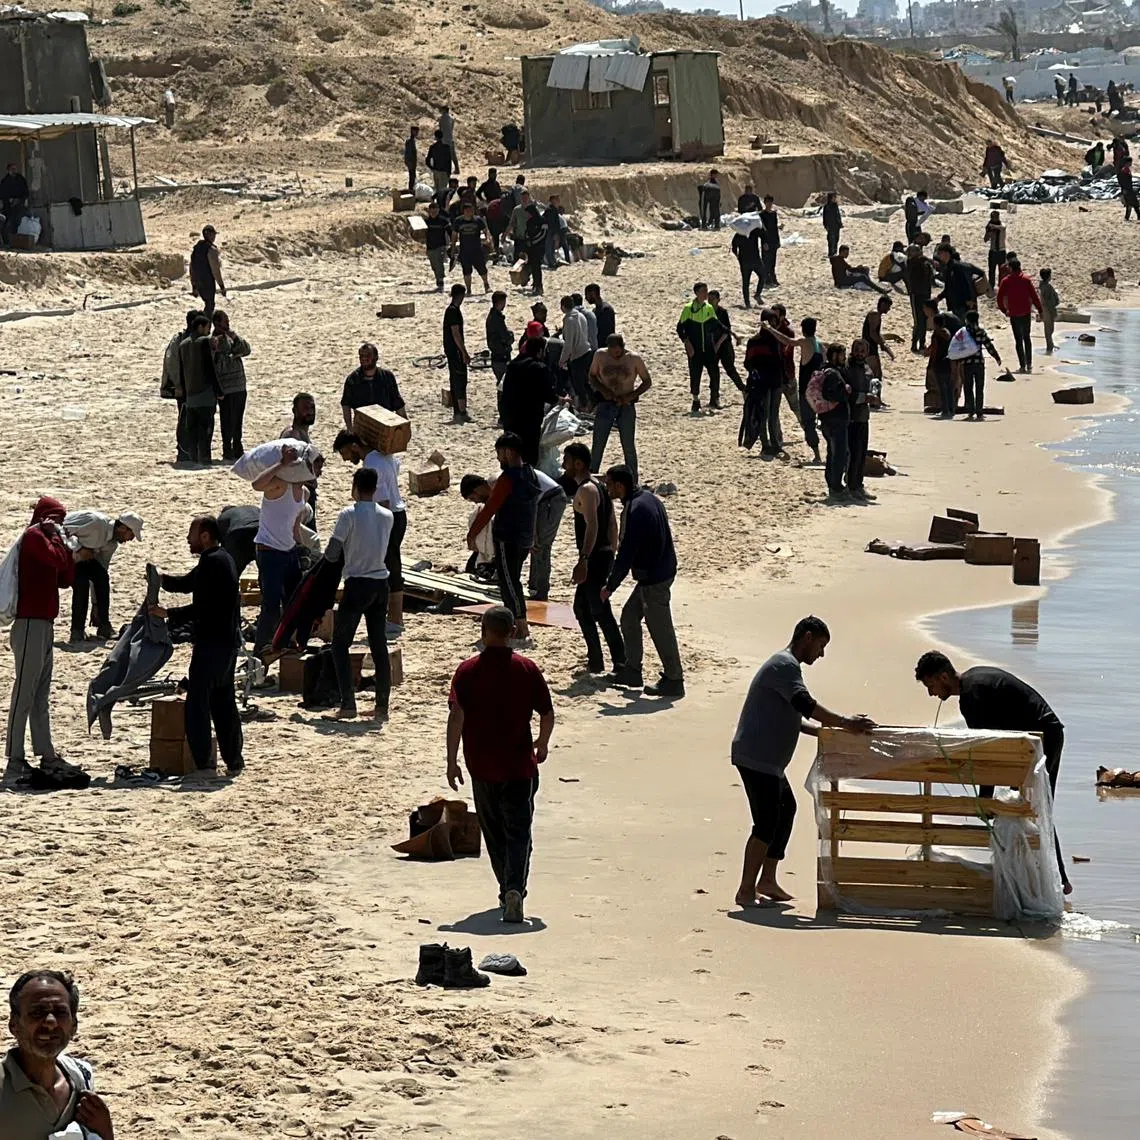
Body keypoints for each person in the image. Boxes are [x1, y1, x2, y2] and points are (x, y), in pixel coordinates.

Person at [732, 616, 875, 906]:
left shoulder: (787, 667)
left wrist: (828, 733)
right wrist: (846, 723)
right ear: (807, 637)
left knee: (786, 810)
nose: (821, 654)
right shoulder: (784, 665)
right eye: (821, 646)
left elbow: (792, 717)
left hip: (768, 762)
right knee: (765, 823)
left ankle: (768, 880)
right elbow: (804, 706)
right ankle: (746, 889)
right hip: (757, 758)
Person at [915, 651, 1071, 894]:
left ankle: (1059, 880)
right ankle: (1053, 878)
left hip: (1042, 739)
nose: (931, 693)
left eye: (930, 685)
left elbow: (986, 750)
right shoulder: (974, 679)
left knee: (1039, 806)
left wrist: (985, 798)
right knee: (1031, 806)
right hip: (1036, 738)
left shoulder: (971, 696)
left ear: (943, 677)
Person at [446, 605, 554, 923]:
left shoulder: (466, 671)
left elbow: (456, 716)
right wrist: (543, 743)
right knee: (520, 832)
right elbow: (547, 713)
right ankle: (514, 889)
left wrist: (451, 761)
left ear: (483, 630)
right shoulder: (526, 669)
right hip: (520, 766)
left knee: (494, 834)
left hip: (482, 767)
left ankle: (505, 888)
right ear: (512, 633)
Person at [4, 498, 87, 782]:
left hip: (45, 623)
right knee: (23, 694)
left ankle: (45, 752)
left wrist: (72, 552)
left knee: (40, 695)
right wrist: (58, 539)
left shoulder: (49, 537)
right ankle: (15, 758)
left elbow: (64, 578)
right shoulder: (34, 536)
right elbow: (54, 558)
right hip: (29, 623)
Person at [153, 516, 243, 774]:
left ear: (205, 536)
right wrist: (162, 579)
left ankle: (203, 763)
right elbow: (188, 583)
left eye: (192, 533)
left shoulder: (213, 561)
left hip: (211, 644)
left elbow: (201, 607)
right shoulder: (222, 558)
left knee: (198, 704)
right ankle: (234, 761)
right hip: (227, 644)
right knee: (223, 702)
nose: (188, 538)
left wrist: (167, 613)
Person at [2, 970, 116, 1138]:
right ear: (14, 1025)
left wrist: (105, 1132)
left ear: (74, 1025)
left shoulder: (80, 1078)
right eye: (37, 1012)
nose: (50, 1022)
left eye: (60, 1012)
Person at [600, 467, 683, 697]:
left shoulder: (635, 510)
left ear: (620, 485)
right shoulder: (648, 498)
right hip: (658, 571)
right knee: (628, 617)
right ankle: (632, 671)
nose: (607, 488)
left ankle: (675, 679)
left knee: (660, 628)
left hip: (654, 578)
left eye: (609, 484)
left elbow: (626, 552)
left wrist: (610, 586)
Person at [323, 466, 394, 722]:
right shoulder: (387, 516)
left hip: (357, 585)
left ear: (355, 487)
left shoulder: (348, 514)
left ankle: (348, 703)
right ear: (375, 488)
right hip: (380, 583)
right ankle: (381, 706)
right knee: (378, 645)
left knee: (340, 645)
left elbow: (332, 553)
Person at [467, 432, 542, 640]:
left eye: (499, 453)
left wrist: (471, 535)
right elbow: (532, 507)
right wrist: (533, 535)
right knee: (513, 580)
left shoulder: (508, 478)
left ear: (508, 452)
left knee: (509, 583)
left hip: (508, 537)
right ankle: (519, 624)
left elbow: (490, 509)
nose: (499, 458)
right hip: (524, 536)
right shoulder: (530, 473)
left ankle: (521, 625)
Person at [333, 431, 408, 635]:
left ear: (354, 445)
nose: (347, 459)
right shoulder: (384, 454)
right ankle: (394, 617)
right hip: (398, 513)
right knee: (392, 563)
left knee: (389, 566)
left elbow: (382, 500)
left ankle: (394, 619)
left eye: (346, 453)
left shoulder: (372, 463)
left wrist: (375, 525)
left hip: (388, 514)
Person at [562, 443, 625, 675]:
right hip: (603, 554)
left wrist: (584, 559)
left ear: (578, 463)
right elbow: (612, 522)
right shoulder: (598, 485)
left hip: (595, 557)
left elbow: (593, 526)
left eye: (567, 461)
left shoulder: (586, 490)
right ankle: (596, 660)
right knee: (582, 608)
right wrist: (613, 548)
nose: (563, 465)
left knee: (599, 609)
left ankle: (620, 660)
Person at [251, 446, 307, 655]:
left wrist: (302, 550)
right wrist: (281, 464)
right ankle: (261, 650)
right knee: (271, 606)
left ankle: (287, 644)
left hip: (289, 552)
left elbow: (294, 526)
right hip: (269, 552)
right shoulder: (279, 484)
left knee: (294, 603)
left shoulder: (303, 492)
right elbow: (257, 484)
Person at [62, 510, 143, 644]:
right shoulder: (96, 523)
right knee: (81, 584)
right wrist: (78, 548)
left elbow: (101, 571)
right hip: (65, 556)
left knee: (102, 578)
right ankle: (77, 631)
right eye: (131, 533)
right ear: (122, 527)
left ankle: (104, 626)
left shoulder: (111, 545)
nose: (131, 538)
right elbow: (61, 530)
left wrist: (96, 606)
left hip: (82, 561)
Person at [589, 333, 651, 483]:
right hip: (605, 403)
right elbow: (592, 376)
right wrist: (605, 391)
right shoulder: (600, 356)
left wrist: (631, 396)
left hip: (626, 404)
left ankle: (633, 480)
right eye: (611, 351)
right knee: (598, 443)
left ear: (622, 347)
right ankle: (590, 476)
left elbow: (647, 381)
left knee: (628, 445)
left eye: (617, 352)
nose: (614, 355)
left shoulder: (633, 359)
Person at [501, 323, 557, 465]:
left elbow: (504, 391)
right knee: (529, 456)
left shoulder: (513, 365)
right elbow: (548, 395)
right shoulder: (540, 368)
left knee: (511, 453)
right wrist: (560, 400)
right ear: (539, 351)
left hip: (510, 417)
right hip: (529, 420)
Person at [677, 282, 727, 414]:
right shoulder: (688, 308)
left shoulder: (709, 307)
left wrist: (727, 333)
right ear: (697, 293)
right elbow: (680, 328)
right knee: (695, 374)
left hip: (709, 348)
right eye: (704, 291)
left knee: (714, 373)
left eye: (706, 290)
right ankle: (695, 400)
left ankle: (715, 399)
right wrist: (686, 343)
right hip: (695, 348)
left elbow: (717, 324)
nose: (706, 293)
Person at [740, 309, 785, 456]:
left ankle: (776, 444)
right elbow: (748, 362)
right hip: (761, 384)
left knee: (774, 415)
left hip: (776, 381)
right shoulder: (755, 341)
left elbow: (780, 361)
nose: (772, 325)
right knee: (762, 415)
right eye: (770, 321)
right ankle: (766, 445)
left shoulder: (777, 340)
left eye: (774, 322)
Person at [179, 313, 222, 464]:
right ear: (200, 327)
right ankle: (204, 457)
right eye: (207, 328)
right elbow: (210, 368)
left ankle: (193, 457)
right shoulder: (204, 342)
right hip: (205, 393)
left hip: (190, 395)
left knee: (193, 431)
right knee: (206, 429)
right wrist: (219, 391)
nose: (209, 331)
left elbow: (181, 370)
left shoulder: (183, 344)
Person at [211, 310, 250, 461]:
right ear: (217, 323)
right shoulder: (214, 341)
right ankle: (227, 448)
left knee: (238, 418)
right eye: (225, 322)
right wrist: (233, 356)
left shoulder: (231, 338)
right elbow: (218, 364)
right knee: (226, 419)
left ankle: (237, 446)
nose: (227, 324)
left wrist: (235, 338)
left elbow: (246, 350)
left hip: (239, 385)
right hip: (226, 387)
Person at [815, 343, 852, 501]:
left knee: (833, 453)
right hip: (835, 419)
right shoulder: (832, 373)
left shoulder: (827, 370)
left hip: (829, 419)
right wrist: (846, 391)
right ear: (835, 355)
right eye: (842, 354)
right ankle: (835, 487)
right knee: (839, 455)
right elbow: (832, 394)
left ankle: (834, 485)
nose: (844, 358)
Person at [340, 342, 405, 430]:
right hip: (363, 427)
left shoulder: (387, 376)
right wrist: (350, 428)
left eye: (368, 355)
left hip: (386, 425)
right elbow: (346, 405)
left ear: (376, 357)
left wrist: (404, 427)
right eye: (361, 356)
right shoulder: (353, 379)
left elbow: (397, 403)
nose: (364, 358)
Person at [996, 256, 1043, 375]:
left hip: (1014, 313)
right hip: (1026, 312)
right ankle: (1029, 364)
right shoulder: (1026, 280)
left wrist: (1003, 310)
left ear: (1011, 268)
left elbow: (999, 298)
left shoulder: (1006, 281)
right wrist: (1040, 310)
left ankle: (1022, 365)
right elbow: (1034, 296)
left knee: (1018, 339)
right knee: (1027, 338)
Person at [844, 339, 876, 503]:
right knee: (852, 453)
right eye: (857, 350)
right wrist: (863, 397)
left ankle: (858, 485)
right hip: (851, 417)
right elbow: (847, 393)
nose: (859, 353)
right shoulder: (847, 369)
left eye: (862, 351)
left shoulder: (867, 369)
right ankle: (850, 486)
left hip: (863, 416)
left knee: (861, 453)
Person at [961, 310, 1002, 421]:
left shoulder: (964, 332)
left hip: (967, 363)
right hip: (979, 363)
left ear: (967, 320)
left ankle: (970, 410)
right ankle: (979, 411)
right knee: (979, 388)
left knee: (968, 387)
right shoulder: (981, 332)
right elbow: (989, 345)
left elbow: (958, 348)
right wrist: (997, 357)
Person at [443, 283, 472, 423]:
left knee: (455, 379)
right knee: (460, 379)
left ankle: (458, 411)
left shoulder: (451, 310)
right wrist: (464, 352)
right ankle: (461, 411)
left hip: (451, 351)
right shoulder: (453, 311)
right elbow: (456, 334)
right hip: (455, 351)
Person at [559, 294, 593, 413]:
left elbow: (569, 343)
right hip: (587, 351)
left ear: (563, 306)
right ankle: (591, 403)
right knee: (586, 381)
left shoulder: (569, 319)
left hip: (578, 354)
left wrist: (562, 360)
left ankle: (584, 406)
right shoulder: (581, 316)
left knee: (578, 383)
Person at [934, 244, 986, 321]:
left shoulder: (956, 267)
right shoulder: (950, 267)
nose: (938, 256)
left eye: (939, 253)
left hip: (964, 304)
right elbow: (949, 287)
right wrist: (939, 297)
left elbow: (964, 283)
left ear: (946, 253)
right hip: (958, 304)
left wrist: (969, 299)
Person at [928, 307, 963, 419]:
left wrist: (931, 365)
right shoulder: (949, 334)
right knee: (949, 387)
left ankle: (944, 410)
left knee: (942, 388)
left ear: (935, 323)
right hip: (949, 361)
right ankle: (951, 409)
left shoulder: (936, 334)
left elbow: (935, 350)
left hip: (939, 362)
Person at [451, 199, 491, 295]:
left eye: (472, 210)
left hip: (477, 249)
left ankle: (486, 284)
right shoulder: (458, 221)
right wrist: (453, 247)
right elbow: (454, 235)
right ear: (464, 211)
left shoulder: (478, 220)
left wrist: (488, 239)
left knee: (482, 269)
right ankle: (468, 289)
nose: (470, 212)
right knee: (466, 271)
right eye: (468, 211)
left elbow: (486, 230)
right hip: (464, 250)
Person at [707, 289, 744, 392]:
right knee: (713, 372)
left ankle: (743, 390)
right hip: (711, 344)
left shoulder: (722, 312)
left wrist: (718, 344)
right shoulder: (706, 312)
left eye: (713, 299)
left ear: (718, 300)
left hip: (724, 344)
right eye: (709, 299)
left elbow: (726, 330)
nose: (710, 301)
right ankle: (714, 397)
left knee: (730, 369)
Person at [903, 243, 935, 354]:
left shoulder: (924, 263)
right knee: (918, 321)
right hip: (916, 294)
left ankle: (921, 343)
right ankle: (914, 345)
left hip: (925, 293)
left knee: (924, 319)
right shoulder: (911, 262)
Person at [189, 225, 225, 317]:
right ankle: (203, 326)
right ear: (208, 235)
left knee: (207, 305)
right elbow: (215, 270)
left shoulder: (197, 248)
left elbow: (192, 267)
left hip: (198, 282)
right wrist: (221, 286)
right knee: (210, 306)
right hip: (207, 282)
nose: (214, 237)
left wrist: (194, 285)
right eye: (213, 234)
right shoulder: (211, 249)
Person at [486, 290, 514, 406]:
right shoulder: (496, 318)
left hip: (497, 356)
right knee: (504, 386)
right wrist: (510, 337)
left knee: (502, 385)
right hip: (500, 357)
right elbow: (506, 336)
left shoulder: (493, 316)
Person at [730, 223, 764, 308]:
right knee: (746, 282)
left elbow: (763, 234)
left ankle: (757, 294)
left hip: (753, 260)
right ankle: (747, 303)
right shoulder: (739, 235)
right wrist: (739, 257)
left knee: (762, 276)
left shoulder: (754, 232)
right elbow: (734, 248)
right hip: (747, 261)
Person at [861, 295, 894, 381]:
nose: (888, 309)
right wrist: (883, 345)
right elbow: (872, 334)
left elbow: (877, 333)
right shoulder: (875, 314)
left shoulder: (876, 314)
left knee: (876, 375)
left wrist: (885, 346)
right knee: (874, 375)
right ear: (883, 304)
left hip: (871, 347)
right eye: (888, 306)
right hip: (869, 348)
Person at [424, 199, 451, 292]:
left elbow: (450, 231)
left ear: (438, 210)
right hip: (430, 246)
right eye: (431, 211)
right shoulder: (426, 221)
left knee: (439, 263)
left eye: (435, 211)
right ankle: (438, 278)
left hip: (441, 246)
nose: (433, 213)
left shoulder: (443, 221)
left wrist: (452, 243)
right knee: (434, 265)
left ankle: (440, 281)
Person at [0, 162, 29, 244]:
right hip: (8, 207)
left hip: (19, 205)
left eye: (15, 169)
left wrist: (19, 200)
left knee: (18, 222)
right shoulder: (5, 181)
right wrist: (9, 200)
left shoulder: (21, 180)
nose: (14, 171)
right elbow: (2, 194)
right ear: (8, 170)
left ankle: (16, 240)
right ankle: (7, 241)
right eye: (12, 169)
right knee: (7, 223)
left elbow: (26, 193)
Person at [523, 202, 548, 296]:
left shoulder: (542, 221)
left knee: (537, 267)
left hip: (539, 247)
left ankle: (539, 286)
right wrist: (527, 241)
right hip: (531, 249)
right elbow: (526, 233)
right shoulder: (529, 222)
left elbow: (543, 234)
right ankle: (535, 284)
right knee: (532, 267)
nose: (527, 215)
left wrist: (533, 241)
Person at [759, 195, 781, 286]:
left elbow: (775, 228)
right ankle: (766, 279)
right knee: (766, 261)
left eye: (771, 202)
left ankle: (773, 278)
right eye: (768, 202)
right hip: (766, 241)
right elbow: (761, 230)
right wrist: (764, 242)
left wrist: (778, 241)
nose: (769, 204)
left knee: (773, 261)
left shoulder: (773, 214)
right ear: (765, 203)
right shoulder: (761, 215)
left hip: (773, 240)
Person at [983, 210, 1007, 290]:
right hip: (993, 251)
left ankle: (1001, 285)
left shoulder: (1001, 225)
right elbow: (985, 239)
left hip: (1001, 250)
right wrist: (988, 232)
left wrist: (992, 226)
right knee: (991, 271)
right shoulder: (990, 227)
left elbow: (1002, 227)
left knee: (1002, 271)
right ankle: (991, 286)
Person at [1039, 267, 1059, 354]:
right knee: (1049, 329)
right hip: (1048, 309)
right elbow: (1051, 301)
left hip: (1045, 309)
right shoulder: (1048, 287)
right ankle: (1049, 346)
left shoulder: (1043, 286)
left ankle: (1050, 345)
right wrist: (1053, 312)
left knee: (1048, 329)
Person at [822, 191, 843, 259]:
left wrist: (840, 223)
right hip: (830, 226)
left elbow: (838, 215)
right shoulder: (826, 207)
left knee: (836, 239)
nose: (835, 198)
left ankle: (835, 252)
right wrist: (825, 225)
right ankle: (831, 253)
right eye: (834, 197)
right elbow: (824, 217)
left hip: (836, 226)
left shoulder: (835, 206)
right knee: (831, 240)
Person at [438, 105, 459, 173]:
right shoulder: (452, 118)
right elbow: (452, 128)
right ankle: (457, 169)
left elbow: (440, 129)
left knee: (444, 156)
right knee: (453, 155)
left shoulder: (441, 118)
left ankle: (446, 169)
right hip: (450, 138)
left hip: (444, 140)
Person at [403, 124, 419, 192]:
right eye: (416, 131)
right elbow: (409, 153)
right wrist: (409, 163)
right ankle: (411, 191)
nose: (417, 133)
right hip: (411, 162)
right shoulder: (410, 141)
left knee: (412, 177)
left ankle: (411, 190)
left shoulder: (412, 141)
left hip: (412, 162)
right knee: (412, 178)